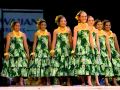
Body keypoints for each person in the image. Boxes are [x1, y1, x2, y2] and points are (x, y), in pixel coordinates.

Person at [1, 21, 29, 86]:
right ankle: (16, 81)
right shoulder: (9, 34)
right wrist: (6, 53)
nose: (18, 27)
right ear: (13, 26)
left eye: (19, 26)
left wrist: (27, 53)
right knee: (14, 67)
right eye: (16, 25)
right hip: (12, 53)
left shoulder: (23, 34)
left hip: (21, 53)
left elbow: (25, 45)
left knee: (22, 67)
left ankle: (21, 81)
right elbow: (7, 44)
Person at [50, 15, 72, 85]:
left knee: (67, 64)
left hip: (67, 49)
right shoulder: (56, 30)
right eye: (62, 21)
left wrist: (72, 49)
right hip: (59, 49)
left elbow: (70, 40)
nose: (63, 22)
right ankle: (61, 80)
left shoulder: (68, 30)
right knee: (59, 65)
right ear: (59, 22)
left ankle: (68, 81)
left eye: (65, 21)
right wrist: (52, 50)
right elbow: (54, 41)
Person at [73, 10, 93, 85]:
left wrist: (92, 47)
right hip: (80, 47)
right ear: (79, 18)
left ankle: (89, 80)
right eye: (82, 16)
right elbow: (75, 38)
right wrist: (74, 49)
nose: (84, 17)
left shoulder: (89, 27)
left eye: (85, 16)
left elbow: (91, 37)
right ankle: (83, 81)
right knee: (80, 63)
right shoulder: (76, 27)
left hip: (87, 47)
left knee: (88, 63)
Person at [29, 19, 51, 85]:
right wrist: (33, 52)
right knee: (39, 65)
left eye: (44, 25)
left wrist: (51, 51)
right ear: (39, 26)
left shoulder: (48, 33)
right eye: (42, 25)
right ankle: (40, 79)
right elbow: (35, 43)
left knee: (46, 65)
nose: (43, 26)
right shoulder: (37, 33)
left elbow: (49, 43)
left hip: (46, 51)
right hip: (39, 51)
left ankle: (48, 80)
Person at [94, 20, 114, 86]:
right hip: (96, 51)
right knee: (97, 65)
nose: (100, 26)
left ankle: (106, 81)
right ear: (95, 25)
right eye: (98, 24)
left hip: (104, 51)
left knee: (106, 66)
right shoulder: (94, 32)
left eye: (101, 24)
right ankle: (97, 81)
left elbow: (107, 44)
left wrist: (109, 53)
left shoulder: (104, 33)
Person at [103, 20, 120, 85]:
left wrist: (118, 53)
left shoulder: (113, 34)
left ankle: (114, 80)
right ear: (104, 26)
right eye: (106, 25)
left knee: (115, 66)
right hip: (106, 51)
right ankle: (107, 81)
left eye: (109, 25)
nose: (108, 26)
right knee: (108, 66)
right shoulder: (102, 33)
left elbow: (116, 44)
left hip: (113, 52)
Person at [87, 16, 101, 86]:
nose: (91, 22)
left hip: (94, 48)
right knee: (89, 64)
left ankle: (97, 80)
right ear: (87, 21)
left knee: (96, 64)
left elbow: (97, 41)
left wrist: (98, 49)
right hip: (88, 48)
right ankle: (89, 80)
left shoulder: (95, 30)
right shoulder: (86, 29)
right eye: (89, 20)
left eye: (92, 20)